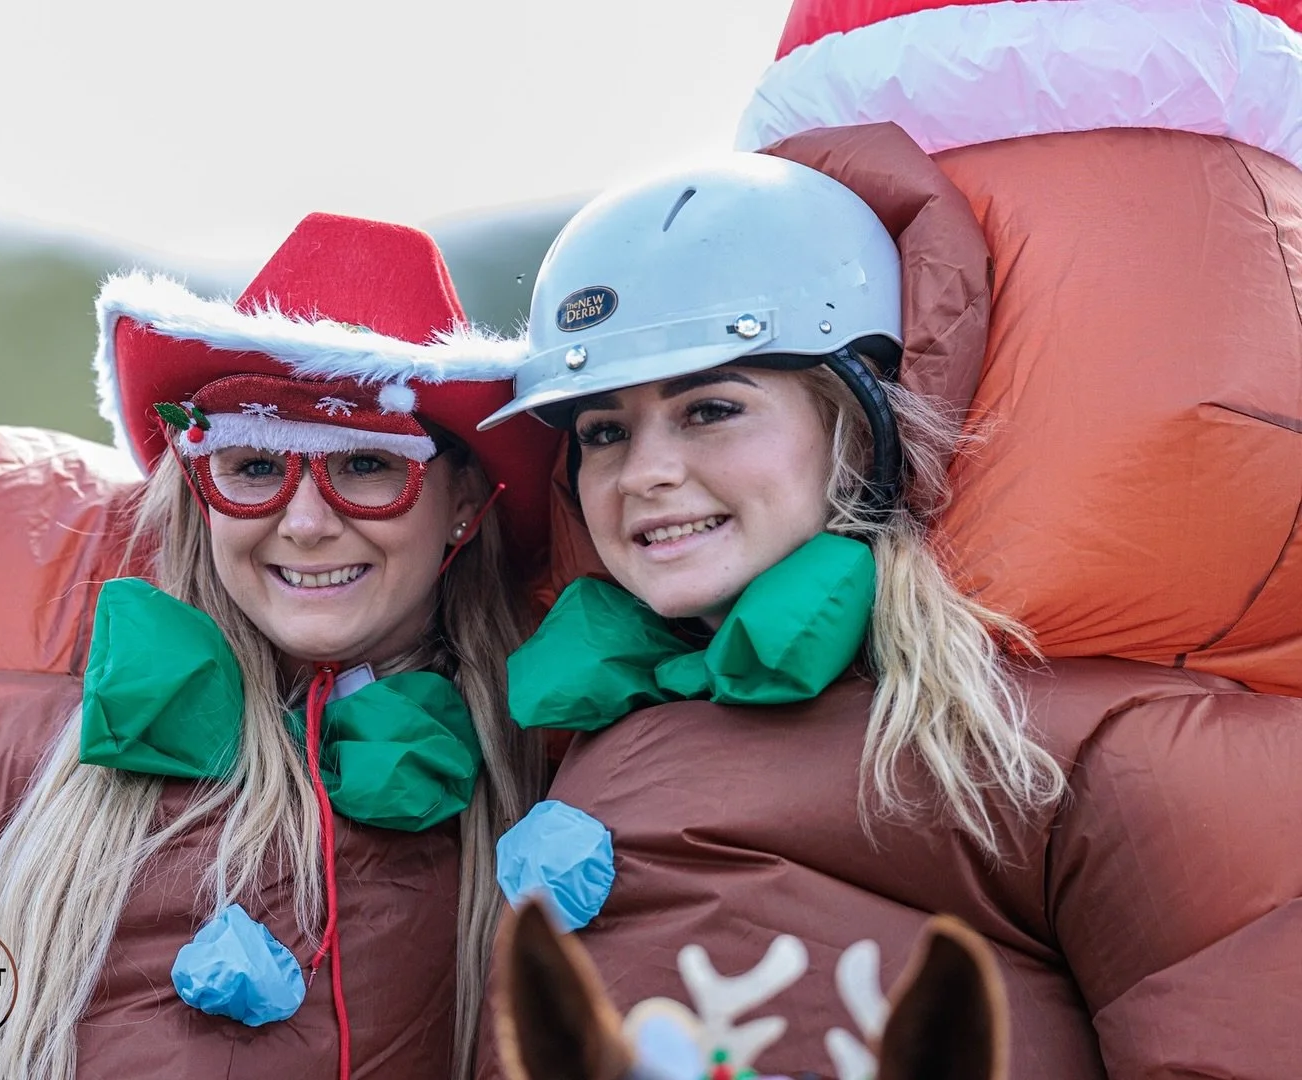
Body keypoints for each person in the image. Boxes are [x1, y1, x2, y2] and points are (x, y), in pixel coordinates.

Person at [477, 126, 1302, 1079]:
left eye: (711, 409)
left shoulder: (1090, 746)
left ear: (857, 429)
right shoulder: (568, 731)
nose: (646, 473)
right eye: (605, 431)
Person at [0, 213, 559, 1080]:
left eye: (368, 467)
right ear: (198, 490)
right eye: (257, 467)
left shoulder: (551, 774)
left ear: (462, 499)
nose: (304, 524)